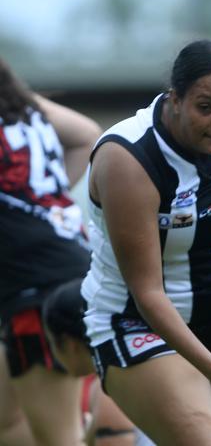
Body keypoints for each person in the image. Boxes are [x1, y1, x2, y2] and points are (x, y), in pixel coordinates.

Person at [81, 39, 211, 446]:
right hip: (138, 323)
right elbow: (147, 291)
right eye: (205, 107)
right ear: (175, 99)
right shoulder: (129, 157)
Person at [0, 57, 102, 445]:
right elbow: (86, 133)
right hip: (70, 266)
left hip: (37, 291)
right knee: (7, 425)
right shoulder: (24, 110)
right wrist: (45, 199)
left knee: (60, 439)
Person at [42, 279, 155, 446]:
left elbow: (115, 440)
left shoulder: (114, 378)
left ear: (68, 344)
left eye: (50, 342)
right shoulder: (135, 359)